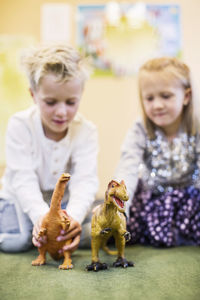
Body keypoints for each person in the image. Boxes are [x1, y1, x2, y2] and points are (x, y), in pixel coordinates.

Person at [0, 44, 99, 253]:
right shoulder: (20, 125)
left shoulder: (86, 131)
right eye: (51, 102)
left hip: (62, 203)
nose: (61, 112)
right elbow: (22, 179)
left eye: (71, 102)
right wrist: (40, 218)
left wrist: (72, 219)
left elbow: (85, 180)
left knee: (99, 228)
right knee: (18, 241)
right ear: (33, 95)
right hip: (18, 198)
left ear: (81, 94)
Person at [114, 57, 200, 247]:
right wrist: (119, 209)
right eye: (149, 98)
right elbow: (126, 168)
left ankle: (179, 233)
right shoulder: (140, 128)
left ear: (186, 96)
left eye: (166, 96)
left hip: (191, 202)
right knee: (107, 229)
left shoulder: (196, 126)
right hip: (152, 202)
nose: (157, 105)